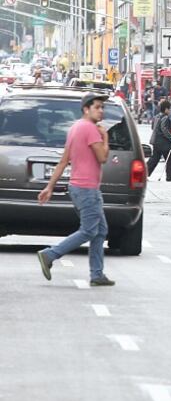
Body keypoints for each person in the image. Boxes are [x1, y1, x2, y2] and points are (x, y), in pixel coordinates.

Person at [35, 93, 115, 286]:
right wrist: (105, 137)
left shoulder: (75, 128)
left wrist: (49, 186)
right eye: (97, 107)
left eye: (102, 107)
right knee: (89, 231)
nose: (101, 110)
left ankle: (97, 274)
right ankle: (49, 255)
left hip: (78, 187)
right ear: (86, 109)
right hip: (87, 189)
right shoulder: (91, 130)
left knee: (100, 230)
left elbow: (63, 161)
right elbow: (102, 157)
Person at [147, 99, 171, 182]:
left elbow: (153, 127)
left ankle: (144, 174)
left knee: (154, 158)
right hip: (164, 142)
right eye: (170, 109)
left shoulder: (156, 116)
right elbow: (165, 129)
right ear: (166, 109)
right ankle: (170, 176)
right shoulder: (165, 118)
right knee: (170, 158)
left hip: (156, 141)